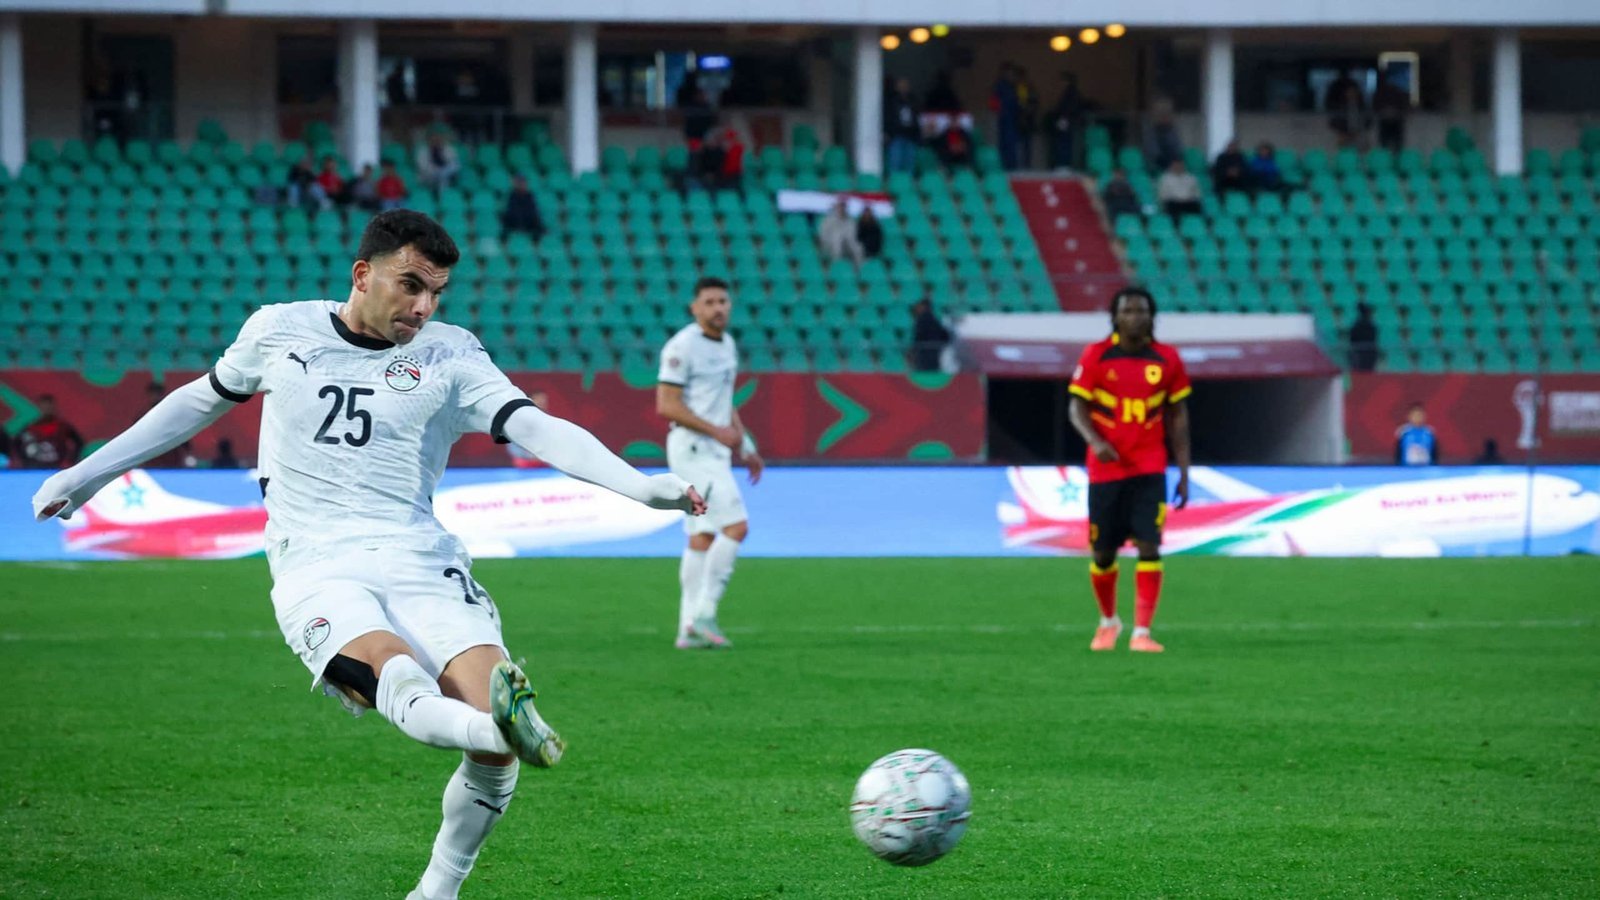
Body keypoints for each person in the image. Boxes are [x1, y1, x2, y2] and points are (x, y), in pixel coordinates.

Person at [30, 210, 706, 900]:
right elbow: (194, 405)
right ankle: (500, 729)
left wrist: (640, 485)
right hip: (316, 559)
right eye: (410, 284)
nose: (423, 306)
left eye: (436, 292)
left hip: (421, 555)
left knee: (493, 752)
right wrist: (87, 474)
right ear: (362, 274)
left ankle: (438, 882)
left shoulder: (451, 354)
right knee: (397, 675)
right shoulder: (279, 330)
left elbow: (535, 426)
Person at [1066, 287, 1192, 654]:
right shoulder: (1096, 355)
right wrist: (1095, 441)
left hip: (1149, 467)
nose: (1135, 317)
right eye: (1128, 311)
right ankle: (1109, 621)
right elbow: (1076, 407)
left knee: (1149, 546)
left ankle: (1142, 633)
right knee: (1103, 554)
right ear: (1116, 317)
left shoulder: (1167, 359)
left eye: (1142, 311)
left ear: (1152, 318)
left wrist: (1184, 472)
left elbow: (1178, 417)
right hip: (1106, 470)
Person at [656, 277, 764, 650]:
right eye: (710, 302)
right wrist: (716, 432)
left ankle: (687, 629)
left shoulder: (728, 344)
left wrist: (745, 444)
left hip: (713, 450)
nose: (718, 308)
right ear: (695, 308)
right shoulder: (682, 346)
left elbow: (723, 400)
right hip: (693, 449)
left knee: (702, 536)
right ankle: (705, 613)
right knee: (736, 526)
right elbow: (666, 404)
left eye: (723, 301)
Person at [14, 395, 85, 469]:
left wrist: (71, 460)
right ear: (40, 407)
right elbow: (17, 444)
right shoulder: (31, 428)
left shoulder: (63, 427)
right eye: (44, 406)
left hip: (58, 466)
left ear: (54, 407)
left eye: (49, 406)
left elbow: (79, 443)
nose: (47, 408)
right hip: (36, 467)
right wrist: (25, 461)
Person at [143, 382, 196, 468]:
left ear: (161, 395)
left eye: (157, 394)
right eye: (152, 394)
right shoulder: (143, 415)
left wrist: (188, 451)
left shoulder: (170, 413)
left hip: (170, 454)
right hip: (152, 455)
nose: (154, 396)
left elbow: (181, 432)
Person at [1049, 72, 1086, 170]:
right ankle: (1063, 164)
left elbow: (1069, 109)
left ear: (1067, 81)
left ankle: (1064, 165)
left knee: (1064, 143)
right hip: (1067, 120)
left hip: (1066, 121)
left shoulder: (1071, 93)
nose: (1060, 83)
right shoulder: (1070, 92)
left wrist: (1063, 119)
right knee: (1064, 143)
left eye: (1062, 81)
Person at [885, 77, 921, 174]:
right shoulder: (891, 100)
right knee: (895, 162)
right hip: (896, 134)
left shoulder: (913, 100)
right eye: (901, 85)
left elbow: (917, 117)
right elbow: (887, 117)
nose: (904, 87)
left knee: (910, 163)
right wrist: (887, 132)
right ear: (897, 87)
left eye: (905, 85)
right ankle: (895, 181)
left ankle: (908, 182)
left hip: (911, 135)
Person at [507, 390, 551, 468]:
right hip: (524, 460)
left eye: (544, 399)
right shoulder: (519, 418)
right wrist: (531, 457)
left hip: (546, 460)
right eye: (538, 399)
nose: (542, 401)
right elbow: (514, 443)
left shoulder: (548, 419)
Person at [991, 64, 1022, 171]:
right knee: (1006, 143)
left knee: (1011, 143)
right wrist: (1000, 112)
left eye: (1012, 74)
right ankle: (1006, 165)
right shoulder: (1000, 86)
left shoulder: (1014, 86)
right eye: (1009, 73)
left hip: (1013, 118)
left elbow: (1018, 103)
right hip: (1005, 118)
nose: (1011, 76)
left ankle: (1011, 166)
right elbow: (994, 103)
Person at [817, 199, 865, 266]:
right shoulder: (828, 220)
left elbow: (852, 236)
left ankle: (859, 268)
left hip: (847, 244)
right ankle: (837, 266)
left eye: (844, 207)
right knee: (837, 240)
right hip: (829, 244)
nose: (842, 209)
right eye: (840, 206)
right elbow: (823, 235)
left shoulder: (850, 221)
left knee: (858, 248)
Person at [1327, 76, 1369, 150]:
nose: (1352, 94)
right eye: (1349, 92)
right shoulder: (1339, 108)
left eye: (1354, 92)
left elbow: (1368, 122)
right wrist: (1344, 133)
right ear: (1345, 93)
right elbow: (1333, 122)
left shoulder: (1363, 108)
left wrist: (1358, 132)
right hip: (1344, 135)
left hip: (1359, 136)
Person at [910, 299, 951, 372]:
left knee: (925, 372)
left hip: (924, 353)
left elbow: (919, 336)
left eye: (919, 306)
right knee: (934, 371)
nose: (917, 309)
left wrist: (914, 350)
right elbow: (946, 335)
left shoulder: (922, 320)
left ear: (924, 307)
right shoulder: (935, 320)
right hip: (935, 352)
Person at [500, 174, 546, 241]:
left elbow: (533, 213)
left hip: (528, 225)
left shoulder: (530, 196)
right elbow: (510, 213)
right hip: (514, 225)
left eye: (523, 182)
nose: (521, 184)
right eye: (519, 182)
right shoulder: (511, 196)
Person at [1373, 72, 1410, 153]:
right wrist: (1384, 112)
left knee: (1397, 145)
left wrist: (1395, 112)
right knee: (1384, 145)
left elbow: (1403, 106)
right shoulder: (1380, 93)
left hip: (1396, 122)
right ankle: (1386, 158)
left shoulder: (1398, 92)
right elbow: (1375, 106)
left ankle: (1397, 157)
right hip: (1384, 122)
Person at [1015, 66, 1040, 169]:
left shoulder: (1029, 88)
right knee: (1018, 145)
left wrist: (1027, 113)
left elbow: (1034, 103)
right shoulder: (1016, 88)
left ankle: (1026, 165)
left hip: (1027, 121)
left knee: (1027, 145)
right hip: (1017, 121)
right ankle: (1019, 165)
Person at [1348, 302, 1379, 372]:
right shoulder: (1367, 325)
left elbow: (1352, 338)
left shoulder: (1358, 324)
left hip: (1365, 352)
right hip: (1363, 353)